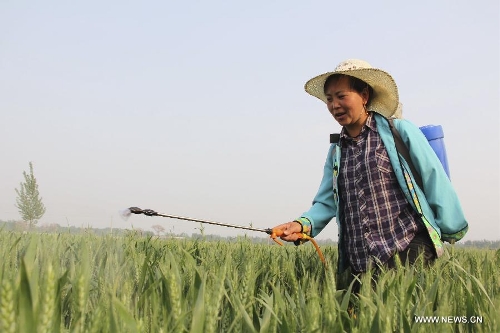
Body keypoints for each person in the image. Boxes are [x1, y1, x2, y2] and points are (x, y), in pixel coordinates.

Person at [273, 59, 468, 291]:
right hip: (359, 260)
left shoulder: (399, 132)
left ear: (364, 95)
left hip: (407, 247)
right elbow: (327, 202)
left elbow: (434, 178)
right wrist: (301, 225)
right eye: (329, 99)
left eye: (341, 96)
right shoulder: (336, 150)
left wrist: (449, 228)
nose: (335, 105)